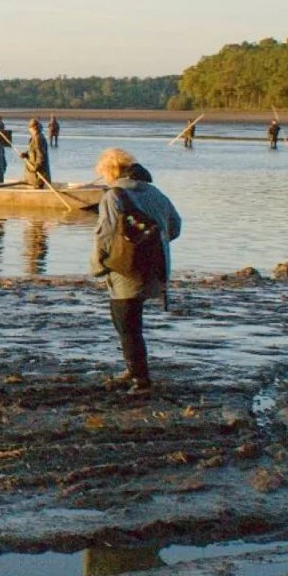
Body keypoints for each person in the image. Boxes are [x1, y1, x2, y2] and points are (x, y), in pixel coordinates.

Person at [90, 148, 182, 393]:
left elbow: (105, 235)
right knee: (132, 323)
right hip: (155, 267)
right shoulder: (155, 192)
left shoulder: (113, 197)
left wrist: (97, 265)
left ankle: (141, 380)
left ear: (110, 171)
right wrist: (152, 247)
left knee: (126, 325)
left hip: (124, 269)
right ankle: (134, 371)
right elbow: (175, 226)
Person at [20, 118, 51, 188]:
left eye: (30, 128)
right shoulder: (34, 137)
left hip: (39, 171)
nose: (29, 130)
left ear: (33, 128)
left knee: (38, 184)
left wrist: (37, 165)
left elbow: (40, 154)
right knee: (34, 183)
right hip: (33, 168)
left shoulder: (38, 138)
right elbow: (32, 150)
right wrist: (25, 154)